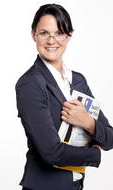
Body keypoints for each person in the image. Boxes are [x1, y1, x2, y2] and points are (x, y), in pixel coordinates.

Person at [15, 4, 113, 190]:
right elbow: (51, 153)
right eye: (44, 33)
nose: (51, 40)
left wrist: (88, 123)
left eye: (58, 33)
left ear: (69, 35)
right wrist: (95, 154)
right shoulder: (30, 84)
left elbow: (110, 137)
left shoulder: (78, 81)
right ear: (33, 35)